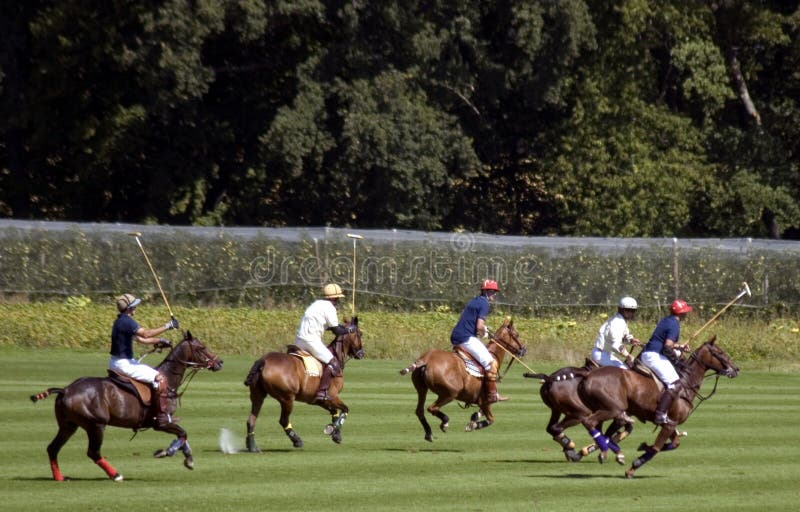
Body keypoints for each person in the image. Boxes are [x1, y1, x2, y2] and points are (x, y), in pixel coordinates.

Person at [109, 293, 179, 427]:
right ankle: (162, 416)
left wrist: (160, 340)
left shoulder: (119, 321)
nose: (136, 308)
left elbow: (141, 340)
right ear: (129, 307)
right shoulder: (127, 321)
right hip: (124, 365)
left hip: (115, 362)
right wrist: (168, 326)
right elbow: (146, 333)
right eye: (134, 306)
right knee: (160, 378)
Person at [294, 284, 356, 403]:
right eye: (338, 298)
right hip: (311, 341)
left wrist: (342, 327)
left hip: (298, 340)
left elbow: (327, 326)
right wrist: (349, 330)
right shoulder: (330, 308)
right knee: (333, 362)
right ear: (335, 298)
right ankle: (323, 392)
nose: (338, 301)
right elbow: (337, 331)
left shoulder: (315, 304)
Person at [450, 279, 507, 403]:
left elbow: (472, 321)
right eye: (493, 291)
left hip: (457, 335)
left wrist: (484, 330)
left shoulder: (474, 301)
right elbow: (479, 326)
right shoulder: (484, 304)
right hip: (466, 337)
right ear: (486, 291)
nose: (495, 294)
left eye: (495, 291)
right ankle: (492, 395)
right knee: (491, 363)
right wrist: (485, 333)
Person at [640, 299, 692, 425]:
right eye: (685, 312)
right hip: (654, 355)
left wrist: (679, 346)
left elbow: (666, 342)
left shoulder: (666, 320)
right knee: (675, 384)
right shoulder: (674, 324)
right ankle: (660, 414)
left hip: (648, 353)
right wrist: (676, 359)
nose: (686, 314)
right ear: (681, 313)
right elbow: (667, 347)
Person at [590, 296, 641, 369]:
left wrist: (631, 341)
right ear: (620, 309)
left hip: (606, 354)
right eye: (627, 310)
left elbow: (621, 338)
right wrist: (628, 356)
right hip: (601, 354)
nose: (630, 313)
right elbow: (616, 345)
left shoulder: (621, 320)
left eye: (633, 311)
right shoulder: (617, 323)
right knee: (625, 371)